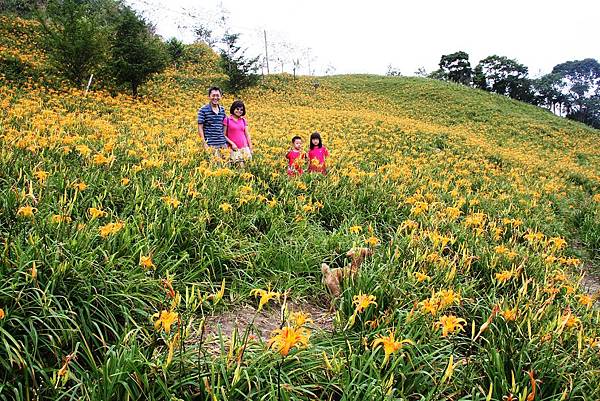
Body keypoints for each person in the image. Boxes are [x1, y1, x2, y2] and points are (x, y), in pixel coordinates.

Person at [198, 86, 227, 159]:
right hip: (211, 145)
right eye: (213, 95)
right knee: (215, 166)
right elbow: (200, 127)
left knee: (227, 166)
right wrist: (204, 144)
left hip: (222, 144)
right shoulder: (203, 110)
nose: (215, 98)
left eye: (217, 95)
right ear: (209, 96)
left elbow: (224, 126)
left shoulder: (222, 110)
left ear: (221, 96)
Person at [224, 100, 253, 167]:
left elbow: (247, 135)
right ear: (233, 108)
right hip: (234, 148)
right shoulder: (227, 119)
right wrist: (232, 144)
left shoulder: (243, 120)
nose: (239, 111)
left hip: (245, 147)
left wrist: (250, 148)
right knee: (240, 167)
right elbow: (224, 135)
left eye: (241, 110)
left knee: (248, 167)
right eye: (237, 109)